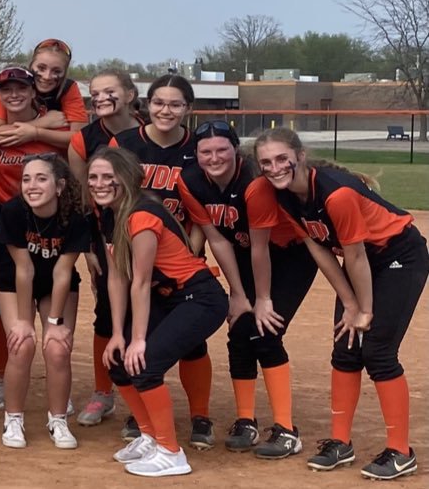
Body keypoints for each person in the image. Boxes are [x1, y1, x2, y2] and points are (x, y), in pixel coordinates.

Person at [253, 128, 424, 480]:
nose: (275, 167)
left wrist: (365, 310)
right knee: (346, 347)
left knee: (377, 351)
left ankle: (402, 452)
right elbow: (318, 248)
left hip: (399, 256)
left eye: (282, 158)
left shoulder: (336, 193)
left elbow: (357, 255)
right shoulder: (282, 195)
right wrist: (349, 303)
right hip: (359, 261)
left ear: (299, 156)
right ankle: (340, 442)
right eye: (266, 162)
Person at [109, 75, 246, 448]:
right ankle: (147, 423)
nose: (165, 110)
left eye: (175, 104)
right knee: (127, 339)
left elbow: (198, 212)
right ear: (146, 105)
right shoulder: (126, 144)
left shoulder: (196, 148)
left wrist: (188, 251)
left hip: (177, 255)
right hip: (133, 251)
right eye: (158, 103)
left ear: (188, 108)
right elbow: (105, 187)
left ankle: (198, 417)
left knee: (190, 342)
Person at [171, 122, 315, 460]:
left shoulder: (254, 183)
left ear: (236, 150)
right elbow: (216, 237)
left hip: (287, 255)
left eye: (222, 149)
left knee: (264, 331)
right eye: (206, 151)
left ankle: (286, 429)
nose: (214, 157)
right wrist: (237, 294)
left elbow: (261, 247)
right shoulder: (189, 180)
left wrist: (262, 299)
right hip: (241, 253)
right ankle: (245, 421)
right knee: (239, 332)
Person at [90, 146, 227, 477]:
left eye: (109, 177)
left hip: (200, 297)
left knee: (145, 364)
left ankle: (170, 452)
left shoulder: (140, 214)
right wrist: (119, 335)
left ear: (127, 178)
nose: (99, 183)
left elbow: (140, 281)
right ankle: (150, 435)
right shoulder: (108, 214)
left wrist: (138, 339)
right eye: (93, 176)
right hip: (170, 298)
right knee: (119, 365)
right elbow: (116, 279)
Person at [0, 66, 63, 413]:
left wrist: (43, 127)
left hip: (46, 221)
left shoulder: (53, 125)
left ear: (32, 91)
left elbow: (72, 151)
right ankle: (4, 375)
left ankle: (58, 379)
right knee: (3, 300)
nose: (14, 95)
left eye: (21, 88)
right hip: (4, 221)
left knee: (50, 291)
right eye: (6, 90)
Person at [0, 154, 88, 450]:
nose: (32, 185)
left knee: (57, 348)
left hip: (55, 282)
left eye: (41, 179)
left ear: (59, 186)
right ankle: (13, 418)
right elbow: (24, 268)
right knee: (22, 344)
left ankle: (58, 419)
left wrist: (54, 323)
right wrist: (23, 321)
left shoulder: (75, 215)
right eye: (26, 179)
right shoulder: (13, 211)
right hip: (14, 280)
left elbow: (62, 271)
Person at [69, 69, 143, 427]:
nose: (99, 98)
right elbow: (84, 201)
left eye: (109, 91)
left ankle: (144, 392)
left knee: (154, 310)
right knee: (108, 312)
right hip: (105, 235)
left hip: (147, 231)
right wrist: (88, 248)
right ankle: (104, 392)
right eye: (94, 93)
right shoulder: (84, 140)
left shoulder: (148, 131)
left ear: (129, 94)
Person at [0, 38, 87, 149]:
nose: (47, 76)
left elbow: (80, 139)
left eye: (57, 71)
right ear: (31, 65)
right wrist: (43, 123)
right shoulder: (5, 84)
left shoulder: (68, 88)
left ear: (65, 73)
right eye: (41, 68)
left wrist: (37, 134)